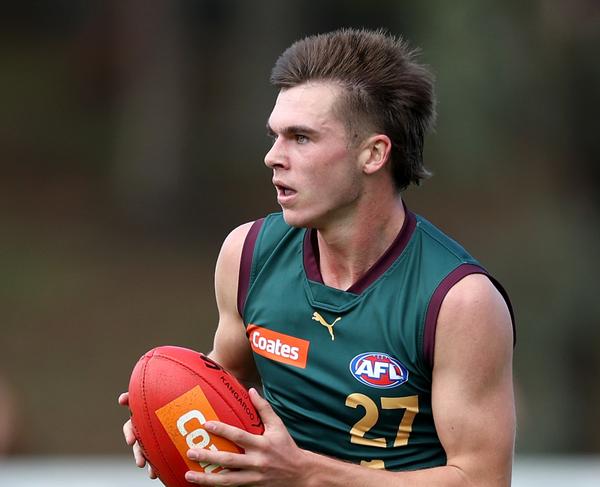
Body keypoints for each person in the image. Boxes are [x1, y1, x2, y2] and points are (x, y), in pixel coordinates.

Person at [120, 28, 515, 486]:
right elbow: (224, 381)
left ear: (373, 153)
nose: (273, 157)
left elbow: (482, 480)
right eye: (275, 136)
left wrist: (306, 474)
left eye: (301, 138)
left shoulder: (458, 303)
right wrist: (164, 414)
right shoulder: (246, 255)